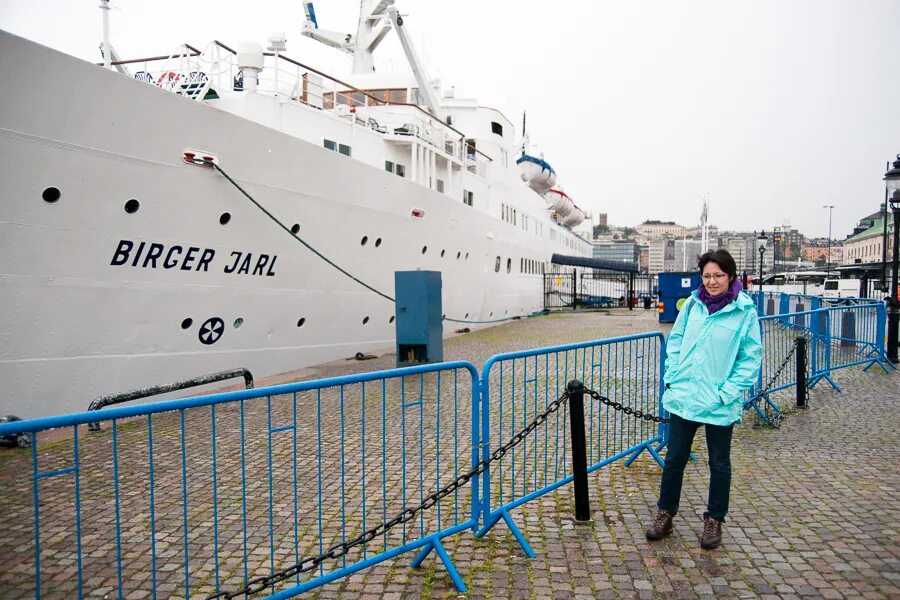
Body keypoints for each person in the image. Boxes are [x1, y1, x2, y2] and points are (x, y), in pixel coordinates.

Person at [646, 249, 762, 549]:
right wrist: (671, 375)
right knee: (674, 460)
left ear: (731, 276)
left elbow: (750, 358)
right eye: (707, 276)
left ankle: (714, 520)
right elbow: (677, 340)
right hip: (685, 396)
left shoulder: (744, 311)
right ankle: (666, 513)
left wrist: (728, 392)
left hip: (718, 401)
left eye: (718, 276)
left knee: (719, 464)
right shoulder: (693, 305)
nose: (712, 281)